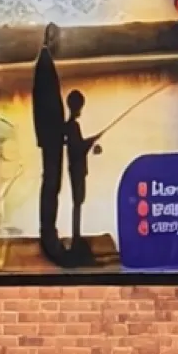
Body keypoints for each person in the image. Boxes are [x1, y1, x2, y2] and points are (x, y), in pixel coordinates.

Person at [32, 23, 67, 266]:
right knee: (51, 184)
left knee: (53, 184)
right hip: (51, 137)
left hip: (52, 136)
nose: (61, 44)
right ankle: (48, 236)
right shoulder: (44, 64)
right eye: (59, 39)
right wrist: (56, 132)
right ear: (51, 39)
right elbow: (46, 107)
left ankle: (49, 234)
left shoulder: (45, 63)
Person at [64, 89, 101, 262]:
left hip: (75, 168)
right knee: (77, 203)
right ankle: (76, 238)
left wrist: (89, 141)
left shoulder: (70, 125)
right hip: (77, 169)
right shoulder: (73, 126)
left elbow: (77, 146)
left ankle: (76, 236)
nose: (81, 110)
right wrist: (91, 141)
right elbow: (77, 149)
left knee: (78, 203)